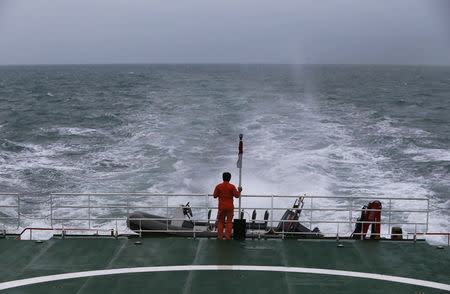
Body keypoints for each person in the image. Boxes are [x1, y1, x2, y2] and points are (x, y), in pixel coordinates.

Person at [213, 172, 242, 240]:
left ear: (222, 178)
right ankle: (227, 237)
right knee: (229, 222)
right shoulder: (232, 186)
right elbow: (237, 196)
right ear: (230, 178)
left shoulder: (218, 186)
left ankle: (220, 237)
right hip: (230, 207)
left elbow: (214, 196)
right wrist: (239, 191)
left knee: (220, 221)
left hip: (221, 207)